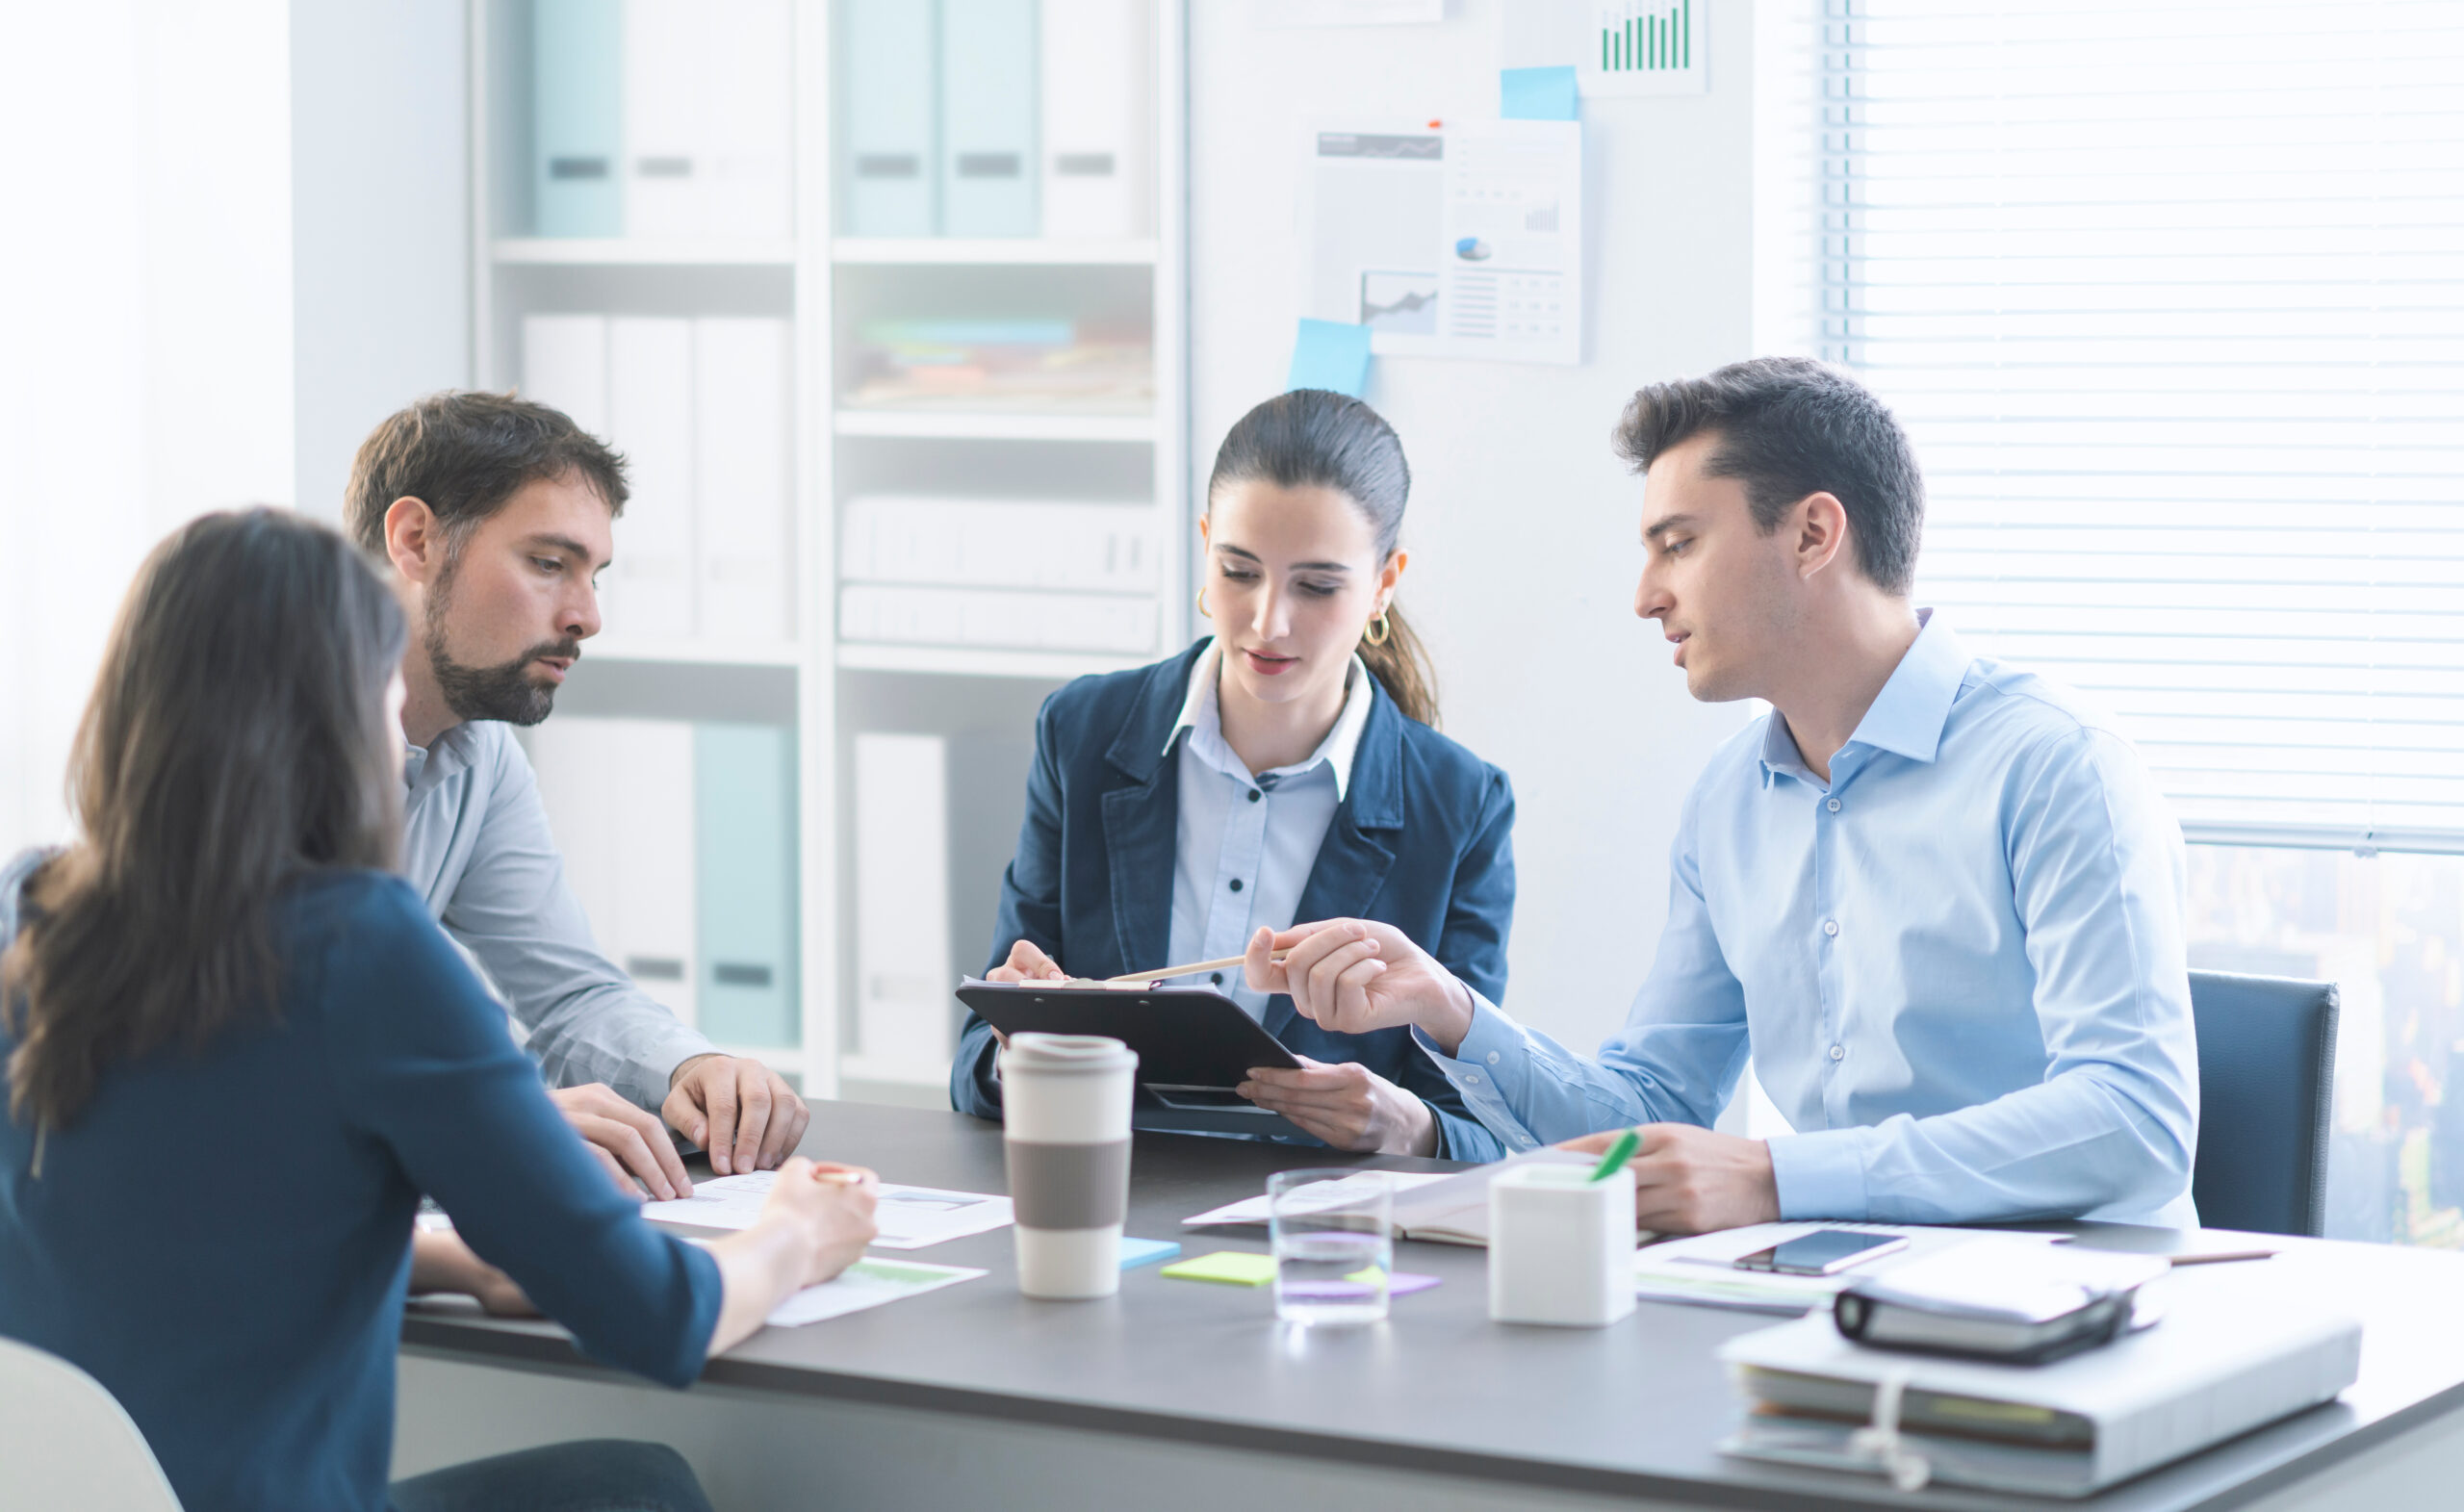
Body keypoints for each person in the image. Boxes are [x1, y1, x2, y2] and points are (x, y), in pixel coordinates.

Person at [0, 509, 878, 1512]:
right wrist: (796, 1236)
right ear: (339, 718)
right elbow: (654, 1316)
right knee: (640, 1489)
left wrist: (446, 1261)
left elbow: (148, 1219)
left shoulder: (31, 909)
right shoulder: (359, 942)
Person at [1251, 358, 2199, 1227]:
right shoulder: (1729, 802)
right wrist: (1446, 1006)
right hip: (1836, 1294)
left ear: (1813, 534)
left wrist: (1776, 1180)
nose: (1645, 595)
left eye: (1678, 544)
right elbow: (1652, 1111)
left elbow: (2135, 1119)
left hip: (2072, 1313)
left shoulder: (2058, 766)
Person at [951, 391, 1516, 1161]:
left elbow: (1485, 1127)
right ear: (1206, 546)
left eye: (1317, 586)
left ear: (1385, 582)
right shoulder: (1083, 733)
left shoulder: (1460, 805)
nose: (1269, 621)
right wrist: (1017, 1053)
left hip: (1322, 1227)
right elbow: (973, 1059)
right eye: (1240, 570)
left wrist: (1407, 1127)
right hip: (1104, 1194)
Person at [345, 392, 805, 1196]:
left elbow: (569, 997)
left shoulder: (479, 752)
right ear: (416, 541)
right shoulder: (255, 743)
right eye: (549, 564)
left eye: (594, 576)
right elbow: (221, 1069)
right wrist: (485, 1116)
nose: (587, 616)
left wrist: (691, 1066)